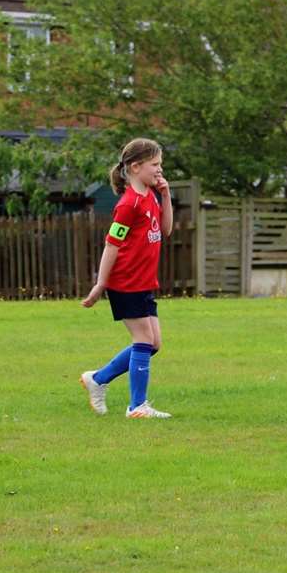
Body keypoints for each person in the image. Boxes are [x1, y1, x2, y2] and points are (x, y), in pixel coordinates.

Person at [79, 138, 175, 419]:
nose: (159, 170)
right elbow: (112, 245)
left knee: (153, 344)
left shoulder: (151, 196)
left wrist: (166, 195)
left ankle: (98, 378)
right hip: (126, 283)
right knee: (144, 339)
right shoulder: (128, 204)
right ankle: (137, 406)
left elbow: (166, 230)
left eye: (160, 165)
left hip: (144, 283)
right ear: (135, 167)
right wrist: (100, 284)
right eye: (154, 165)